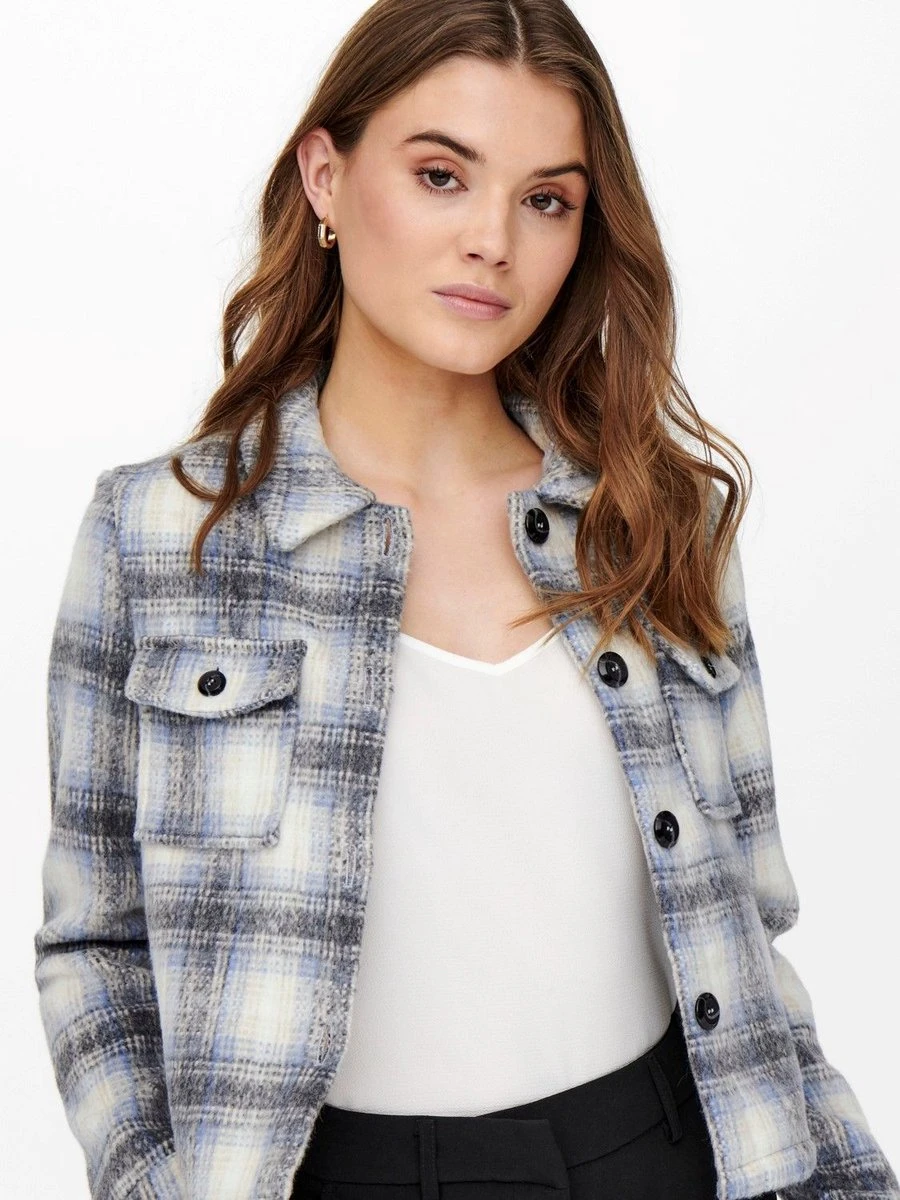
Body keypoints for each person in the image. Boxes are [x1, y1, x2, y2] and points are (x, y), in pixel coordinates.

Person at [33, 1, 898, 1198]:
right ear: (326, 177)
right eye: (442, 175)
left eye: (546, 199)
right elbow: (94, 943)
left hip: (657, 1156)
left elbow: (747, 927)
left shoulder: (654, 520)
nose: (493, 240)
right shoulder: (161, 535)